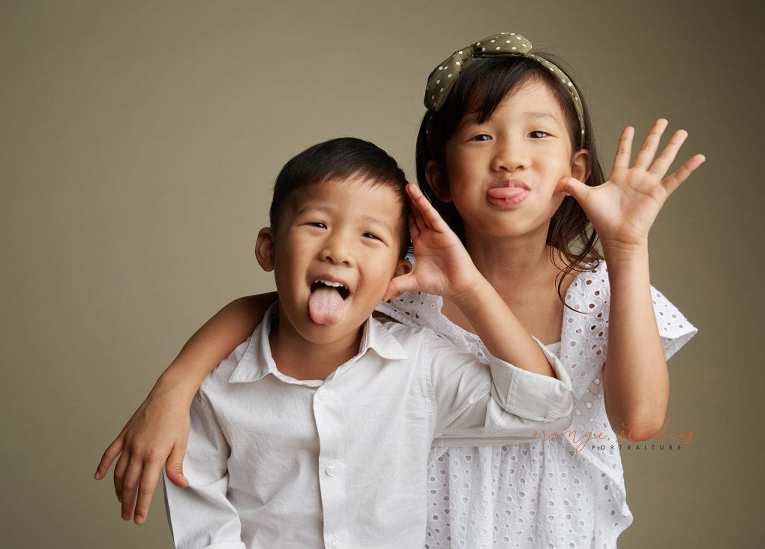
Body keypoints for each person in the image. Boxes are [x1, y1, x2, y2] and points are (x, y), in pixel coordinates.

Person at [95, 33, 705, 548]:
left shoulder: (600, 288)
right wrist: (178, 384)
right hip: (429, 529)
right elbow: (284, 306)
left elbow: (640, 421)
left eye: (537, 135)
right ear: (437, 176)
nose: (511, 159)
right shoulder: (406, 278)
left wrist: (627, 251)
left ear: (576, 168)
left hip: (561, 529)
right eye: (482, 136)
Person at [160, 136, 573, 548]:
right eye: (317, 224)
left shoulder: (418, 366)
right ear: (269, 249)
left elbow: (545, 408)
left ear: (397, 272)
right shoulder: (215, 390)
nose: (339, 251)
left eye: (370, 236)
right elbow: (204, 531)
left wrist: (467, 287)